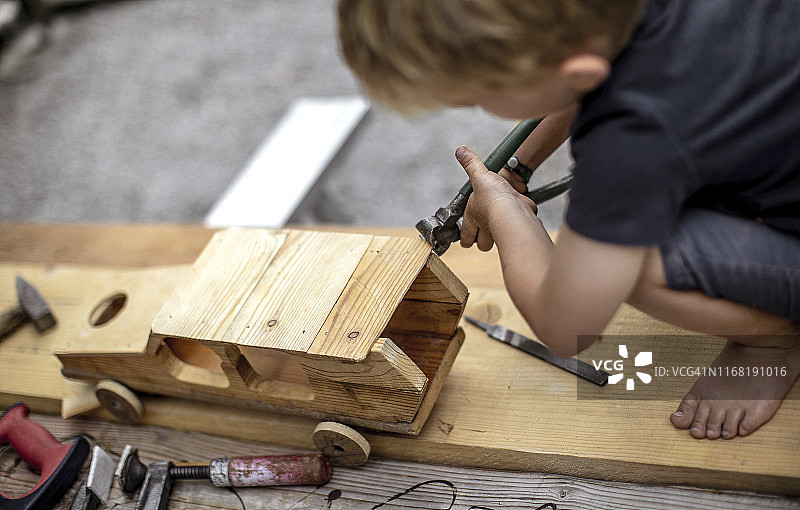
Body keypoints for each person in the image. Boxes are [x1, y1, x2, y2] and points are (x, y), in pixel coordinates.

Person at [336, 0, 800, 440]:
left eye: (477, 97)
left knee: (622, 263)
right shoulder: (617, 23)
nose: (473, 106)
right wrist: (516, 168)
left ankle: (771, 346)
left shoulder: (627, 143)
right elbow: (583, 81)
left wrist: (504, 207)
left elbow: (566, 326)